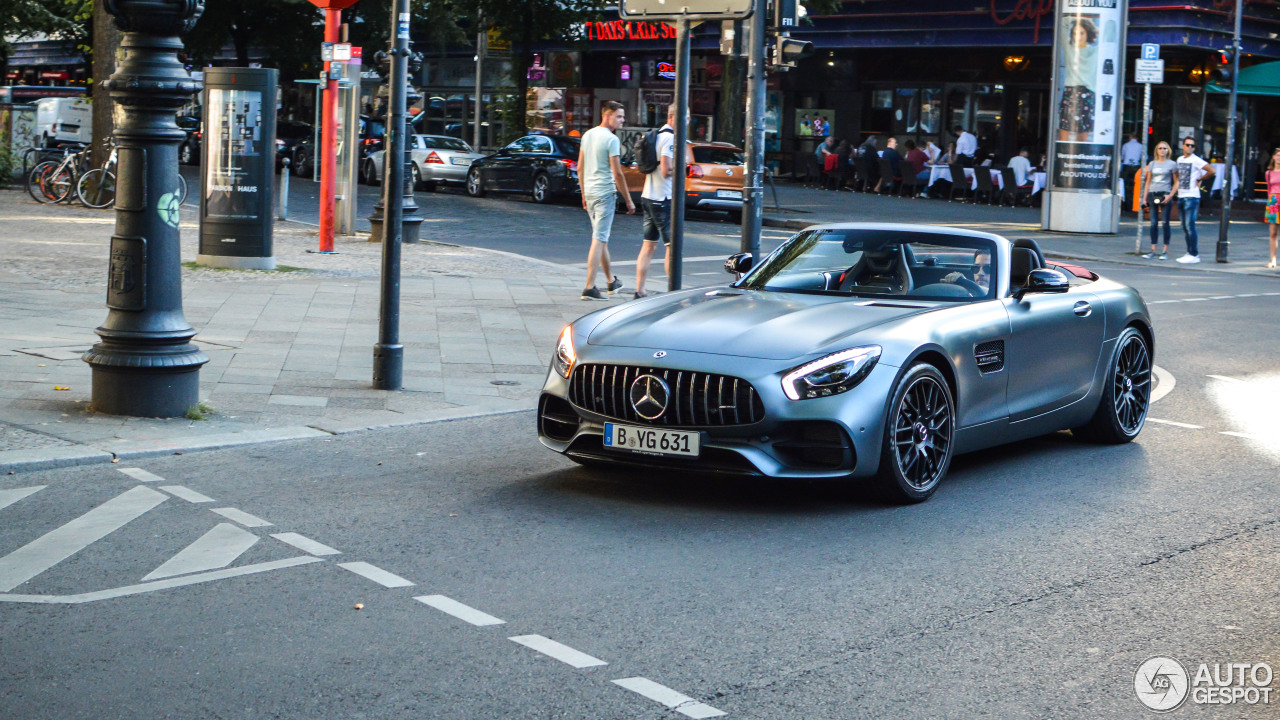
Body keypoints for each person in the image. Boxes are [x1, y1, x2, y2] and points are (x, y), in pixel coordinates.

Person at [577, 100, 635, 299]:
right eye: (619, 116)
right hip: (605, 193)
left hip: (591, 192)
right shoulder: (611, 140)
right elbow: (618, 173)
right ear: (607, 115)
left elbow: (580, 168)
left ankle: (611, 281)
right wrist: (628, 200)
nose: (622, 120)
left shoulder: (588, 135)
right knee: (599, 238)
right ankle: (589, 287)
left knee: (601, 238)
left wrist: (584, 194)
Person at [634, 103, 692, 297]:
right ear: (673, 117)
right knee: (672, 246)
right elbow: (666, 169)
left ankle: (639, 290)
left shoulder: (658, 135)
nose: (688, 122)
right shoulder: (669, 138)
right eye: (686, 118)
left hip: (648, 195)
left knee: (648, 245)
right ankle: (673, 291)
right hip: (663, 198)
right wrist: (682, 168)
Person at [1173, 135, 1214, 264]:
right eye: (1187, 145)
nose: (1190, 147)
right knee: (1185, 226)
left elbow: (1211, 171)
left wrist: (1200, 179)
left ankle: (1194, 253)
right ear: (1183, 146)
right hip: (1181, 195)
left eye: (1192, 145)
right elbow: (1177, 174)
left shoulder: (1196, 160)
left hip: (1192, 196)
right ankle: (1189, 252)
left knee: (1190, 226)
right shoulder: (1179, 159)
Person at [1058, 17, 1099, 142]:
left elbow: (1109, 36)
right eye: (1075, 33)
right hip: (1071, 91)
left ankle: (1080, 159)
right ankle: (1063, 159)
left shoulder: (1096, 51)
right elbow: (1062, 23)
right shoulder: (1069, 48)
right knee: (1064, 130)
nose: (1078, 36)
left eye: (1082, 33)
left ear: (1088, 33)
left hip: (1088, 93)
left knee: (1082, 137)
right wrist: (1079, 18)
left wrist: (1088, 23)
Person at [1140, 141, 1177, 260]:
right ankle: (1153, 250)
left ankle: (1165, 250)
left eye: (1164, 148)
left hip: (1165, 194)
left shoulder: (1172, 164)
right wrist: (1144, 198)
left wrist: (1170, 195)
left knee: (1165, 223)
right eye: (1160, 148)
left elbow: (1177, 181)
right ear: (1156, 150)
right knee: (1153, 223)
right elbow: (1148, 181)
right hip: (1153, 193)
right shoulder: (1152, 164)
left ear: (1168, 150)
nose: (1162, 150)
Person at [1264, 148, 1280, 269]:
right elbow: (1269, 189)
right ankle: (1272, 259)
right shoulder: (1268, 173)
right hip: (1273, 202)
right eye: (1278, 155)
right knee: (1273, 233)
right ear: (1274, 157)